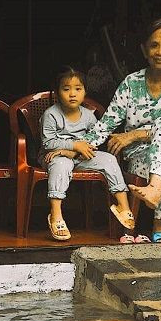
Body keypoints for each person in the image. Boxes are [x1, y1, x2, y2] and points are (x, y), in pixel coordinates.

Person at [84, 17, 161, 242]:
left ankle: (157, 201)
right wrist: (75, 145)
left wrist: (133, 134)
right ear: (144, 50)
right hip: (141, 158)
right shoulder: (131, 83)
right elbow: (106, 123)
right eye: (154, 45)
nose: (160, 51)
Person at [39, 65, 136, 241]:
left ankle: (123, 205)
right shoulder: (51, 114)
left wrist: (75, 152)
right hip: (55, 156)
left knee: (108, 159)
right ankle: (55, 214)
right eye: (66, 89)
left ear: (85, 92)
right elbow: (48, 142)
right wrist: (72, 147)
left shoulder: (88, 116)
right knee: (62, 164)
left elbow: (95, 141)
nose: (72, 94)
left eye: (78, 89)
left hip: (81, 157)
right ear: (57, 92)